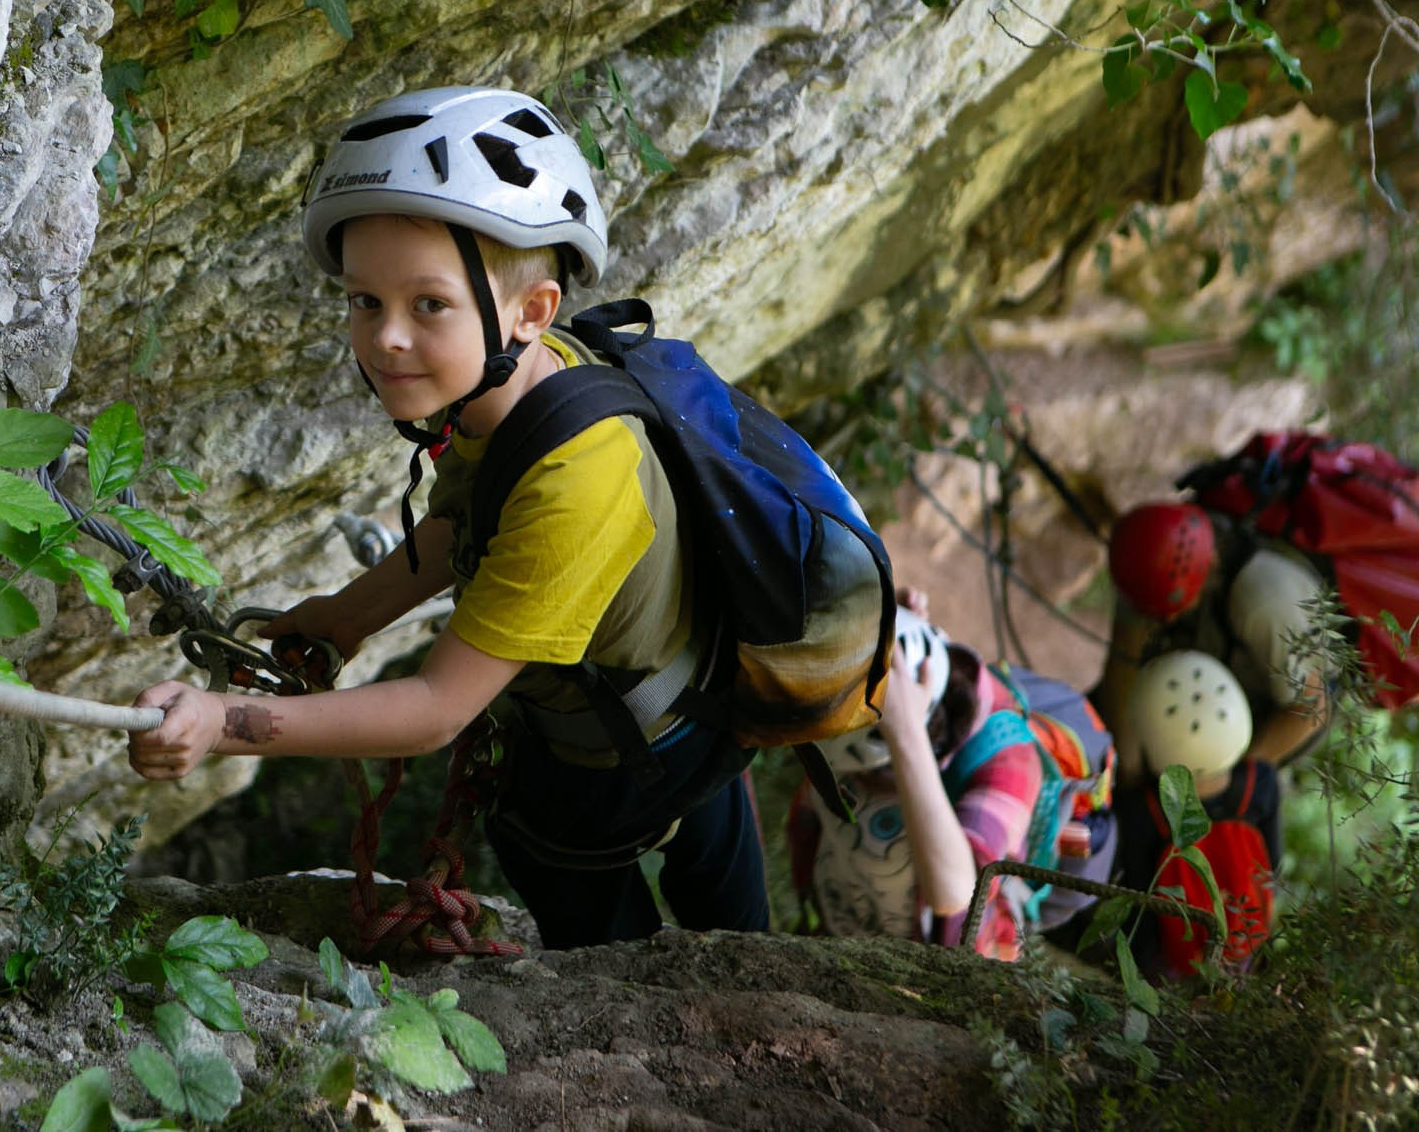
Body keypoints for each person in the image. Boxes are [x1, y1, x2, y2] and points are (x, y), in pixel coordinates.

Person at [125, 85, 768, 949]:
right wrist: (343, 619)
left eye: (428, 305)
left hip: (623, 755)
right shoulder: (516, 387)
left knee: (580, 897)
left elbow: (435, 708)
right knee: (722, 863)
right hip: (680, 698)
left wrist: (224, 725)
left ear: (531, 311)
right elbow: (463, 531)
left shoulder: (579, 483)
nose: (386, 337)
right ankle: (753, 951)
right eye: (364, 301)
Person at [786, 597, 1043, 959]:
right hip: (840, 933)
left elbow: (960, 897)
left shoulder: (1010, 758)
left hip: (928, 976)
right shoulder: (856, 720)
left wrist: (904, 731)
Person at [1096, 501, 1335, 786]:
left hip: (1275, 704)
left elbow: (1309, 711)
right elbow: (1126, 656)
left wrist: (1228, 784)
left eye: (1171, 609)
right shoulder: (1146, 558)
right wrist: (1125, 768)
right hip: (1206, 662)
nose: (1168, 618)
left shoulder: (1264, 604)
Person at [1108, 649, 1280, 978]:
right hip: (1241, 949)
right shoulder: (1261, 784)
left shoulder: (1142, 810)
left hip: (1174, 961)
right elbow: (1272, 869)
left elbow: (1139, 909)